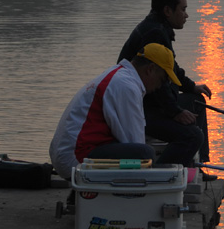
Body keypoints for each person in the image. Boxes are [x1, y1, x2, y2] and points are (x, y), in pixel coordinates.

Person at [117, 0, 216, 180]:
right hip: (141, 109)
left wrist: (191, 86)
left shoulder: (158, 28)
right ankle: (157, 177)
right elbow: (159, 84)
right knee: (191, 135)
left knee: (195, 100)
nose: (187, 15)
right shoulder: (154, 33)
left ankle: (195, 166)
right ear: (168, 11)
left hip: (153, 104)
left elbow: (172, 68)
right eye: (183, 9)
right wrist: (175, 113)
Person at [49, 43, 181, 181]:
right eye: (163, 79)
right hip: (75, 160)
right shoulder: (126, 86)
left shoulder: (119, 75)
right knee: (144, 154)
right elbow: (134, 141)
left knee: (142, 152)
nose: (161, 86)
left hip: (69, 154)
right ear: (151, 69)